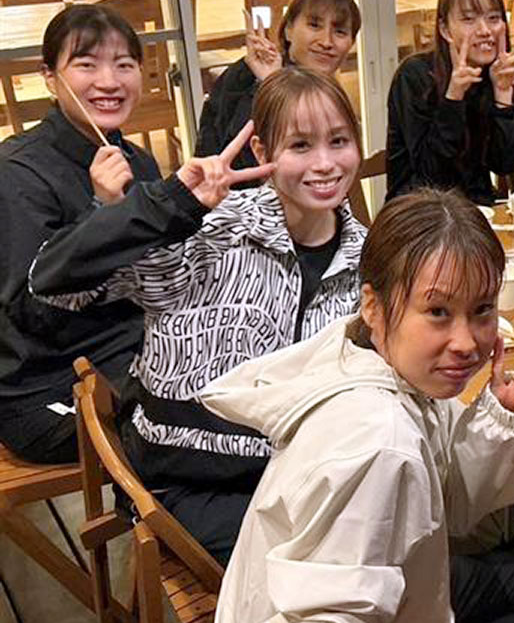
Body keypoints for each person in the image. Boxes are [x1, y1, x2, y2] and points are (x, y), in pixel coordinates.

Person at [203, 189, 514, 623]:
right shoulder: (378, 446)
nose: (466, 342)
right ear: (373, 306)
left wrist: (498, 420)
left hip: (385, 606)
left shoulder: (368, 356)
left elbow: (447, 503)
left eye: (482, 308)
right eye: (438, 312)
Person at [30, 69, 366, 563]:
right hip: (188, 483)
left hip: (298, 480)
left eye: (339, 141)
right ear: (262, 152)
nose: (324, 164)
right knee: (346, 563)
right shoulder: (208, 230)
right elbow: (53, 282)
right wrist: (170, 202)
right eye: (299, 145)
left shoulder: (368, 262)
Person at [0, 6, 162, 464]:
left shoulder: (136, 161)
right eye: (87, 64)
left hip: (134, 358)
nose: (109, 81)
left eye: (124, 64)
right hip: (48, 388)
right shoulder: (17, 171)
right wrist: (101, 215)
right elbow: (31, 313)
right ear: (50, 77)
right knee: (201, 430)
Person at [386, 0, 514, 204]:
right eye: (469, 19)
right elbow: (430, 177)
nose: (485, 30)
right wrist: (453, 97)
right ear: (445, 29)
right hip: (416, 210)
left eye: (493, 18)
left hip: (478, 209)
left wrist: (503, 97)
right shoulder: (415, 75)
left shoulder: (501, 75)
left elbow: (507, 164)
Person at [197, 0, 362, 172]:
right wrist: (272, 89)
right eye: (314, 25)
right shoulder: (252, 77)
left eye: (340, 32)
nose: (326, 41)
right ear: (288, 29)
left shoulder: (325, 89)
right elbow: (242, 166)